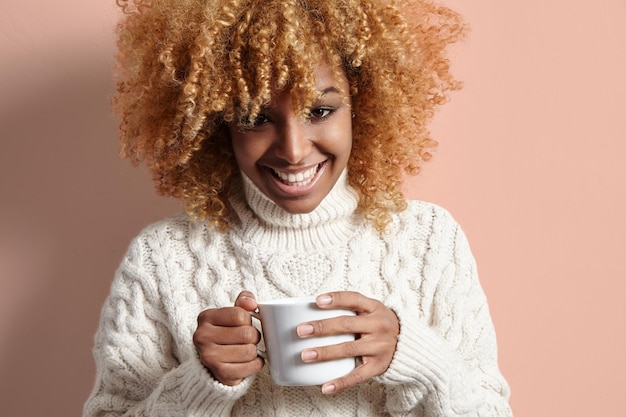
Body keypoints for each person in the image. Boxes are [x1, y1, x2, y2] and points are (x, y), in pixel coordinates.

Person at [84, 0, 513, 415]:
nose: (293, 151)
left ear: (362, 105)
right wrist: (201, 382)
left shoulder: (430, 239)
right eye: (256, 117)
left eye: (320, 110)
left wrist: (416, 355)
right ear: (218, 123)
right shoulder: (162, 257)